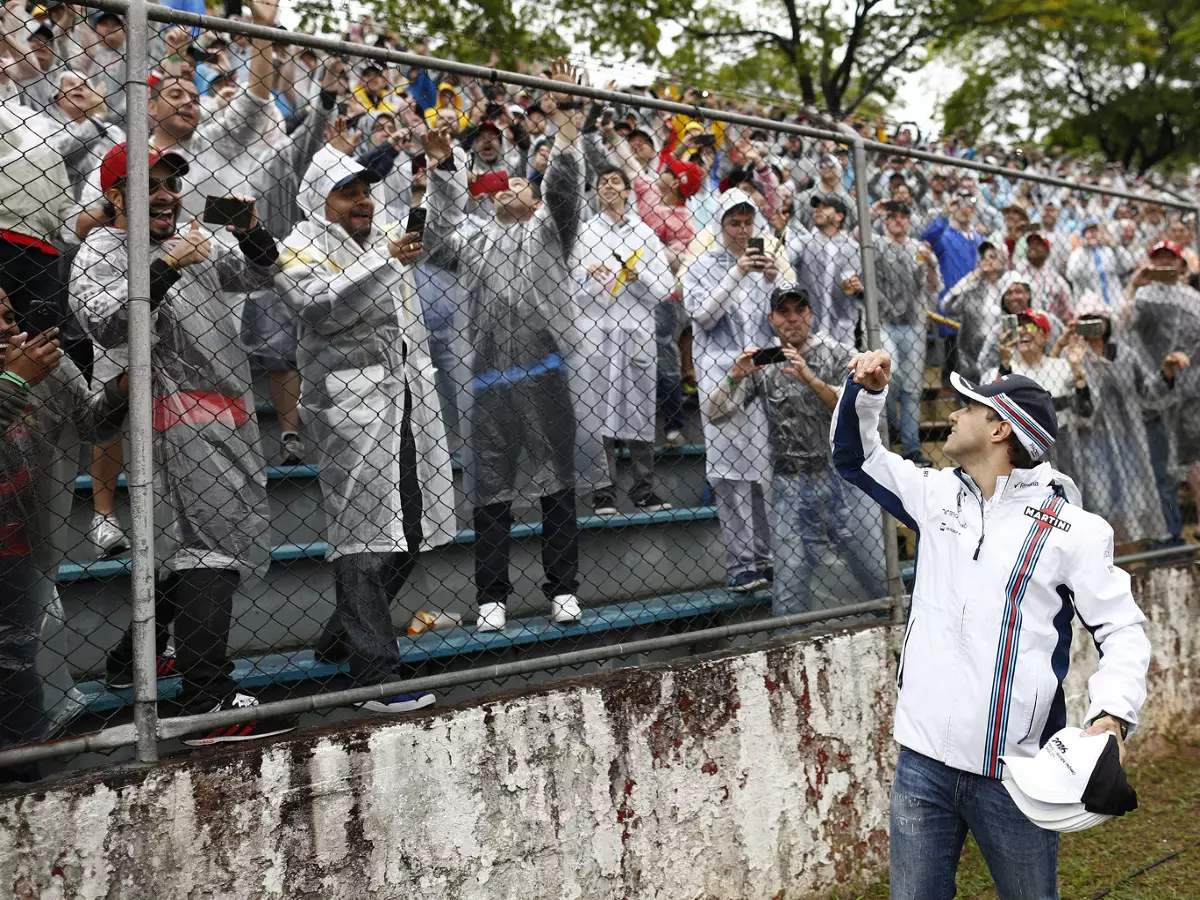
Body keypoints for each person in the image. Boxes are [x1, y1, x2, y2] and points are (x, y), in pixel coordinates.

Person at [832, 351, 1150, 899]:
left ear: (1001, 428)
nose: (953, 415)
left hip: (1017, 773)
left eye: (969, 406)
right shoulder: (935, 497)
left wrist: (1112, 717)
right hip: (922, 762)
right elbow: (855, 458)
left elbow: (1122, 629)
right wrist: (866, 393)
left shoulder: (1074, 529)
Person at [69, 144, 294, 745]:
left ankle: (137, 661)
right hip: (173, 414)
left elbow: (264, 274)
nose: (167, 194)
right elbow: (106, 323)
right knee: (208, 552)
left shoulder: (194, 242)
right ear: (115, 197)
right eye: (150, 185)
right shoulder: (102, 249)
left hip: (226, 409)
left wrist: (250, 231)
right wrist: (167, 266)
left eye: (171, 184)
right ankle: (208, 699)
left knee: (206, 545)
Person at [421, 59, 606, 633]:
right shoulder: (473, 243)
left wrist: (566, 124)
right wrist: (441, 166)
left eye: (522, 183)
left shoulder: (552, 231)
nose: (509, 187)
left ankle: (564, 589)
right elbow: (432, 239)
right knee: (490, 492)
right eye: (502, 184)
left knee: (558, 487)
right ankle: (492, 596)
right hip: (489, 383)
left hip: (546, 375)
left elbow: (566, 187)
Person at [278, 145, 456, 712]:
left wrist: (446, 168)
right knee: (360, 537)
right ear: (319, 200)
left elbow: (445, 225)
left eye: (366, 191)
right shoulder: (298, 245)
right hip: (346, 409)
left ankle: (340, 637)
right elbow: (318, 308)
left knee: (410, 528)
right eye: (347, 192)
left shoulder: (388, 236)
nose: (362, 201)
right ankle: (374, 675)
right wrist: (384, 259)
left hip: (405, 398)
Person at [0, 296, 127, 780]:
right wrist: (14, 382)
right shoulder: (23, 373)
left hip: (20, 560)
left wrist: (123, 387)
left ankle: (23, 786)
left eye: (10, 316)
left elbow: (94, 425)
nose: (6, 328)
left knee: (18, 687)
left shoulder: (43, 367)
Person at [705, 284, 886, 616]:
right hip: (789, 483)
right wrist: (734, 376)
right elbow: (715, 413)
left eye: (798, 310)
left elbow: (854, 407)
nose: (792, 319)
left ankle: (896, 623)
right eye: (783, 312)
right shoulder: (765, 361)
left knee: (874, 570)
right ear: (772, 318)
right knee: (789, 586)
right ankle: (791, 639)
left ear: (810, 314)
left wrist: (810, 379)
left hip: (841, 477)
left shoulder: (837, 353)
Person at [683, 188, 787, 593]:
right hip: (720, 377)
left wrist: (776, 281)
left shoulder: (767, 266)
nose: (743, 231)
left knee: (765, 472)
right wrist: (737, 273)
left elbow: (784, 322)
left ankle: (769, 557)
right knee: (728, 474)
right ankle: (741, 562)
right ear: (720, 226)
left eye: (748, 223)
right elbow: (702, 317)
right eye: (734, 223)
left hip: (764, 373)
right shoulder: (703, 266)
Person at [574, 166, 675, 515]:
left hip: (636, 331)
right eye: (603, 182)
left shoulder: (645, 235)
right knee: (596, 411)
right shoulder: (585, 233)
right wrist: (591, 277)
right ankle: (602, 492)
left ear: (628, 190)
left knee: (640, 410)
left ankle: (644, 488)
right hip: (596, 332)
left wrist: (637, 277)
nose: (609, 186)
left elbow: (664, 288)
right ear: (596, 192)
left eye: (616, 181)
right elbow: (569, 288)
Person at [1069, 295, 1185, 545]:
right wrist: (1075, 364)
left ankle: (1133, 553)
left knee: (1133, 498)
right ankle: (1105, 554)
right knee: (1101, 501)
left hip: (1129, 437)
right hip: (1094, 440)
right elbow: (1079, 406)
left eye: (1099, 318)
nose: (1095, 323)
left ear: (1108, 322)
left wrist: (1165, 372)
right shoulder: (1076, 358)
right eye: (1087, 319)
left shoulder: (1125, 354)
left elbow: (1148, 390)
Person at [872, 200, 941, 464]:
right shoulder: (876, 243)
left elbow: (933, 288)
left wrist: (932, 264)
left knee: (912, 390)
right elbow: (856, 237)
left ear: (910, 222)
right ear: (886, 221)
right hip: (885, 321)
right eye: (893, 217)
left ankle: (912, 448)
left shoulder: (918, 249)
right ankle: (892, 431)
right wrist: (873, 212)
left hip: (914, 324)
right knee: (892, 376)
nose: (899, 221)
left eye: (903, 216)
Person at [785, 193, 862, 347]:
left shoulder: (853, 249)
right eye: (816, 207)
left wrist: (859, 289)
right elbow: (785, 258)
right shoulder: (803, 242)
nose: (818, 211)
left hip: (843, 331)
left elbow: (865, 292)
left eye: (825, 207)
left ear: (840, 216)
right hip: (808, 330)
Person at [941, 241, 1008, 381]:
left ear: (1003, 259)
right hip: (971, 356)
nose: (987, 260)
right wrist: (970, 277)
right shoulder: (972, 288)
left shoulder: (1010, 287)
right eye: (983, 257)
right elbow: (946, 306)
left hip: (1000, 353)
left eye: (993, 256)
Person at [1066, 220, 1135, 312]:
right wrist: (1086, 251)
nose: (1093, 234)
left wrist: (1113, 245)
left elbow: (1128, 264)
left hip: (1114, 302)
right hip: (1090, 306)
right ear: (1083, 235)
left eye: (1095, 230)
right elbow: (1071, 275)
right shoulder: (1078, 253)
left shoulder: (1108, 251)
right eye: (1089, 231)